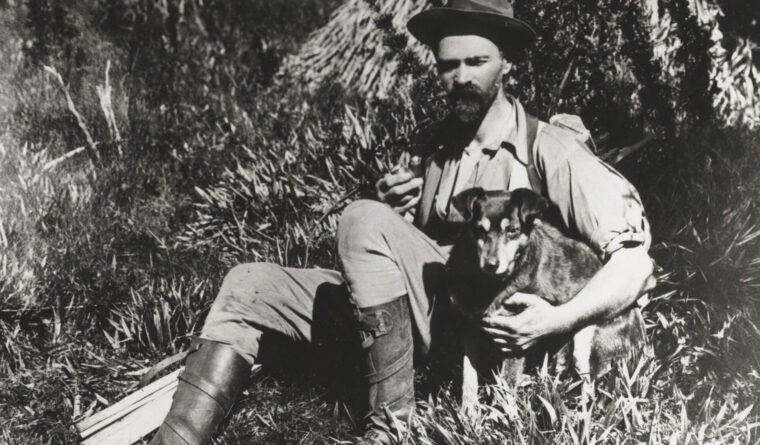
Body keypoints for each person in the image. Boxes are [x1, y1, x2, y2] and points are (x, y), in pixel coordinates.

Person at [149, 0, 656, 444]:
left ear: (507, 64)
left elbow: (635, 263)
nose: (461, 77)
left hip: (484, 335)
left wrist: (555, 320)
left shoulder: (549, 148)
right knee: (248, 285)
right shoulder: (435, 148)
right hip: (416, 313)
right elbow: (393, 260)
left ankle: (392, 425)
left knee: (361, 220)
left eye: (477, 62)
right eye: (448, 65)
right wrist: (395, 208)